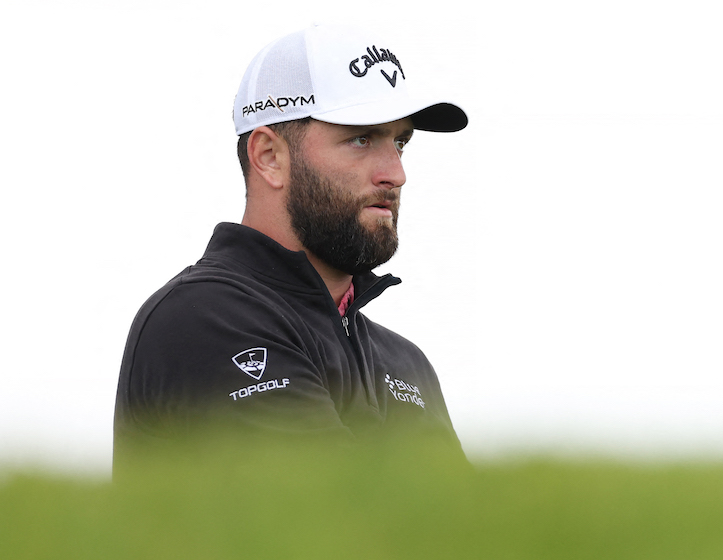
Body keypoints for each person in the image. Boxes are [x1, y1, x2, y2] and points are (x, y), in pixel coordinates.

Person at [113, 24, 468, 464]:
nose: (395, 174)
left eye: (399, 143)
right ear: (269, 157)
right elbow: (334, 520)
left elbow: (468, 532)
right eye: (361, 138)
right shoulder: (204, 319)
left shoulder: (406, 364)